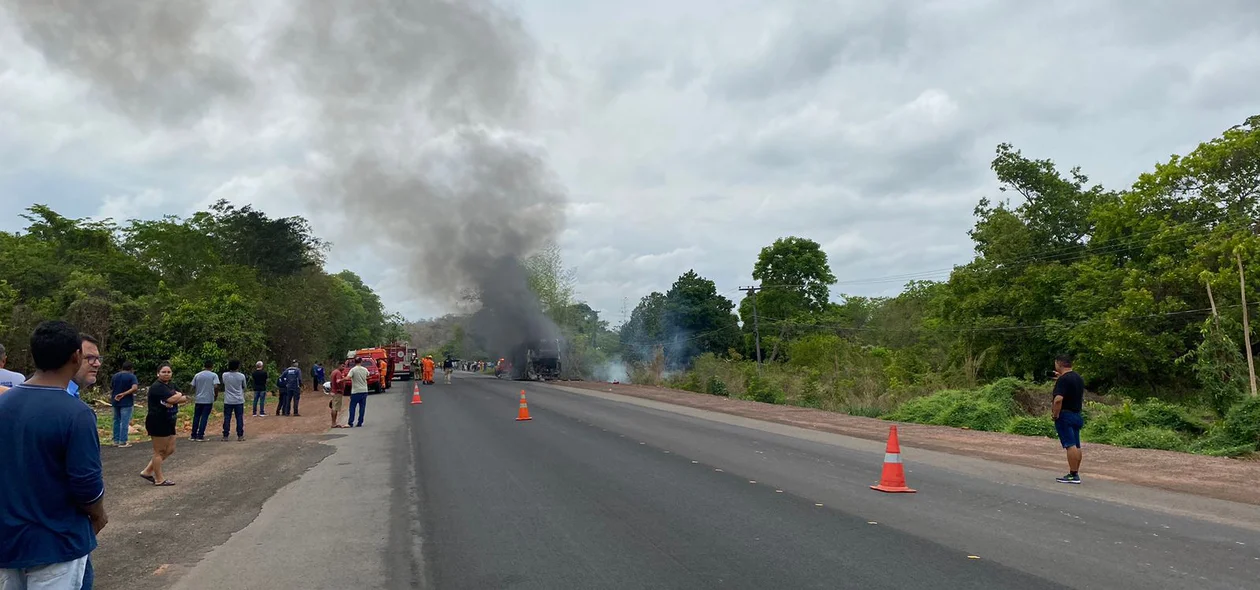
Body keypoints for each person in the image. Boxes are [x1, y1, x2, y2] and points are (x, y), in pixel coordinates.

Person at [0, 320, 107, 589]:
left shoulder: (4, 404)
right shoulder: (76, 414)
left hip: (9, 542)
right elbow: (86, 485)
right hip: (57, 544)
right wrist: (98, 515)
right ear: (76, 356)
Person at [142, 363, 187, 487]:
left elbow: (184, 398)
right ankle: (159, 479)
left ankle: (147, 471)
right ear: (158, 373)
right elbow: (173, 399)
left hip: (170, 419)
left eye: (168, 372)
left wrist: (176, 397)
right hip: (157, 420)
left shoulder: (171, 385)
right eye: (163, 372)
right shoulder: (157, 387)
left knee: (170, 449)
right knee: (159, 451)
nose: (166, 374)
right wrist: (176, 396)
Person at [1051, 355, 1086, 485]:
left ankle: (1073, 475)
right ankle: (1076, 472)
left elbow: (1058, 399)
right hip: (1077, 414)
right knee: (1076, 445)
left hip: (1065, 415)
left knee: (1069, 445)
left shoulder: (1063, 380)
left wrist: (1055, 414)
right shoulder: (1078, 378)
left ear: (1058, 364)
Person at [110, 362, 139, 448]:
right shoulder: (132, 376)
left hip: (115, 400)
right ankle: (123, 441)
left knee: (116, 421)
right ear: (131, 369)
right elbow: (134, 388)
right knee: (124, 422)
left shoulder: (115, 376)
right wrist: (124, 393)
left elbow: (112, 387)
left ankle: (116, 440)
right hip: (126, 401)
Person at [190, 361, 220, 441]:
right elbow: (216, 386)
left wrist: (192, 395)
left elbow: (192, 386)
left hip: (198, 399)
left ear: (204, 366)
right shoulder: (214, 375)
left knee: (196, 417)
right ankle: (200, 435)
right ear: (212, 366)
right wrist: (216, 395)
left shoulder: (197, 375)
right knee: (204, 417)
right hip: (208, 399)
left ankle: (193, 435)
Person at [221, 360, 247, 442]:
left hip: (228, 400)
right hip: (239, 400)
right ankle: (240, 435)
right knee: (239, 417)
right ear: (238, 366)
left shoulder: (224, 375)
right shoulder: (241, 376)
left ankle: (225, 435)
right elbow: (244, 386)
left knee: (227, 417)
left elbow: (224, 383)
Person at [347, 358, 369, 428]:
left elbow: (348, 377)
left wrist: (341, 379)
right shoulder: (365, 369)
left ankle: (350, 422)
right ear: (361, 362)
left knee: (352, 407)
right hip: (364, 390)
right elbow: (368, 375)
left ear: (354, 362)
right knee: (362, 407)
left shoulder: (353, 370)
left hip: (356, 391)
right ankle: (360, 422)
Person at [328, 360, 347, 429]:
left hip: (334, 391)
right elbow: (338, 382)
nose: (344, 367)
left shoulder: (334, 372)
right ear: (339, 365)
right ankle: (333, 423)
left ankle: (334, 422)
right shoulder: (338, 373)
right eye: (342, 366)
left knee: (334, 407)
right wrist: (340, 388)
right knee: (335, 408)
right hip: (337, 392)